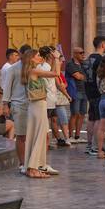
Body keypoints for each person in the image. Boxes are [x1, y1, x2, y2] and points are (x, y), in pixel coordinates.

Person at [23, 47, 60, 178]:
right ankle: (33, 168)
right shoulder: (34, 70)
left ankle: (32, 167)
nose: (40, 57)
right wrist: (56, 58)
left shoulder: (31, 70)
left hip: (37, 105)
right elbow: (56, 74)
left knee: (36, 135)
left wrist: (55, 60)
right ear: (31, 58)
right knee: (39, 136)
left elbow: (52, 72)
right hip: (38, 105)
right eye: (38, 55)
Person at [83, 36, 105, 155]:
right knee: (99, 119)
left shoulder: (89, 58)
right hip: (97, 91)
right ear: (103, 45)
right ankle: (95, 146)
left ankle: (89, 145)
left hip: (88, 90)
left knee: (91, 118)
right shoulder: (100, 59)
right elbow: (100, 76)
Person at [45, 49, 71, 148]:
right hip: (53, 99)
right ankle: (50, 141)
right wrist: (68, 95)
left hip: (54, 99)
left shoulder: (57, 72)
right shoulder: (50, 70)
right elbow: (60, 85)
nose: (61, 62)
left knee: (55, 120)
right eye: (59, 60)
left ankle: (57, 139)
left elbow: (63, 83)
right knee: (57, 120)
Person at [64, 47, 87, 143]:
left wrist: (84, 77)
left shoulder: (83, 64)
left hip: (84, 91)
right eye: (81, 53)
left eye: (83, 52)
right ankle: (70, 136)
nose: (83, 55)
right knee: (75, 114)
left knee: (82, 114)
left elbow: (84, 76)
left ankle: (77, 136)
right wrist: (84, 77)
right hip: (75, 91)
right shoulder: (70, 64)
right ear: (75, 54)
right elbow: (78, 76)